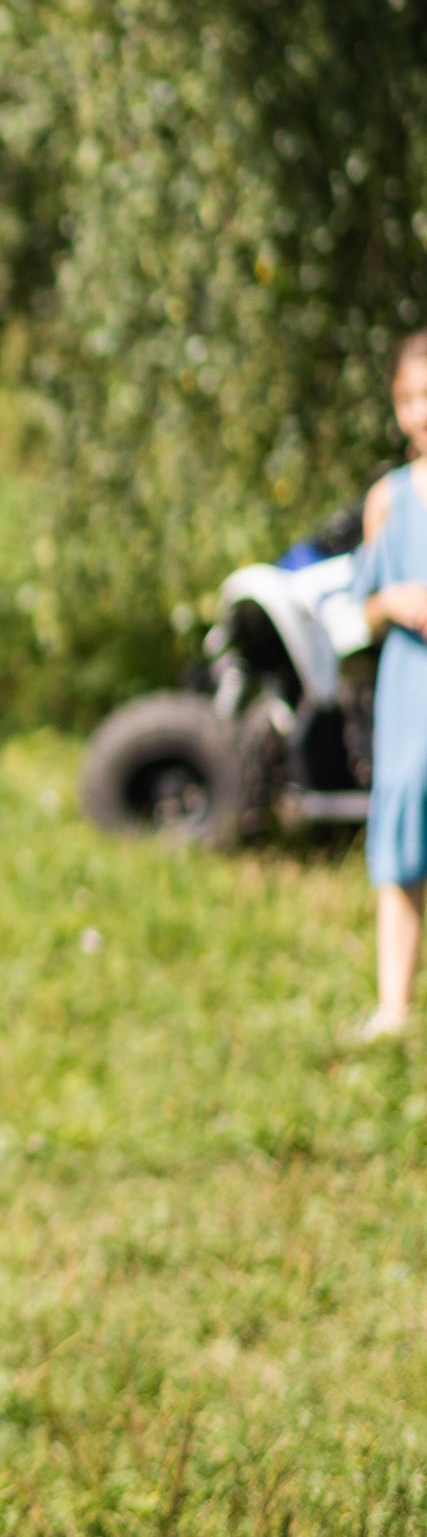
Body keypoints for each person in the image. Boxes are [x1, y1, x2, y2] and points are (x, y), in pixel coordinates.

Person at [350, 328, 427, 1039]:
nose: (418, 412)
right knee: (403, 835)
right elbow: (360, 609)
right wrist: (392, 603)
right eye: (407, 398)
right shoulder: (388, 499)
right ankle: (394, 1007)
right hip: (410, 685)